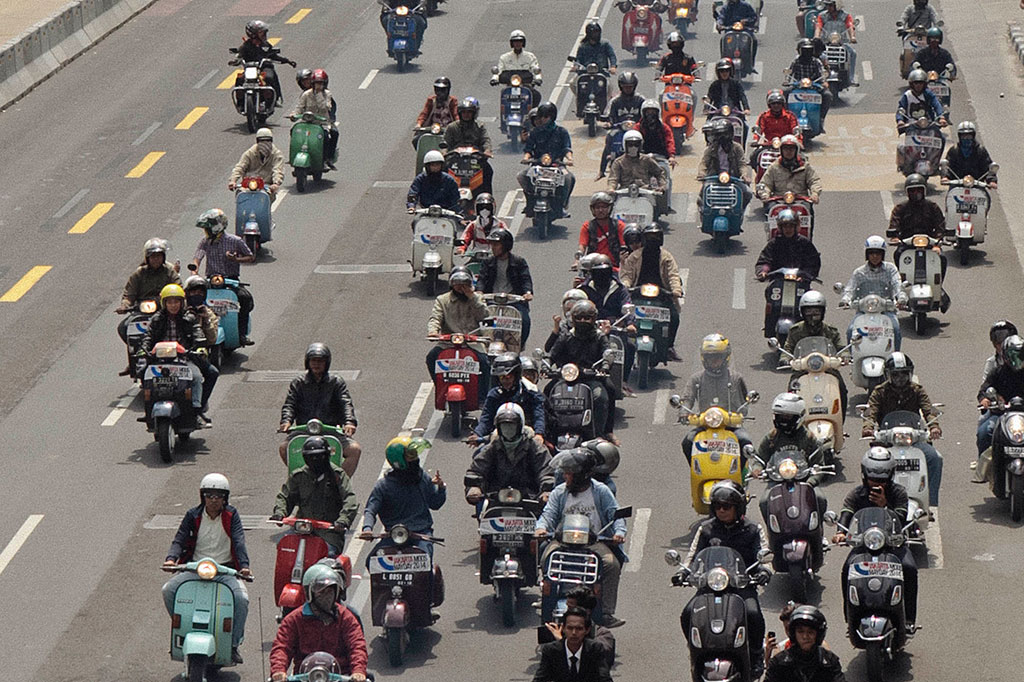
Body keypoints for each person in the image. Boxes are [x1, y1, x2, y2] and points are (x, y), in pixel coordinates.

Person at [678, 480, 771, 678]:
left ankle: (756, 656)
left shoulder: (753, 530)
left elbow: (764, 553)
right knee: (687, 614)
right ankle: (696, 652)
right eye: (717, 506)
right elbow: (693, 555)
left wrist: (764, 571)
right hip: (709, 586)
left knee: (753, 613)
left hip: (741, 586)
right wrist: (683, 572)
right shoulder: (706, 529)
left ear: (738, 508)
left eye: (727, 506)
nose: (721, 510)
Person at [162, 474, 250, 664]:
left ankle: (233, 645)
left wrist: (244, 567)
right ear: (202, 496)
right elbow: (180, 538)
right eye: (209, 495)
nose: (213, 500)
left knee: (241, 599)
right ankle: (184, 627)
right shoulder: (192, 515)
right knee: (168, 590)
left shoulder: (231, 516)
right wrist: (171, 559)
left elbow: (239, 540)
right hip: (194, 568)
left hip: (225, 571)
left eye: (218, 496)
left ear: (225, 498)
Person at [535, 449, 628, 628]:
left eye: (569, 473)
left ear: (581, 475)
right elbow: (548, 515)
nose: (565, 476)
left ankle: (606, 612)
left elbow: (616, 515)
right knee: (546, 558)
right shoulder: (559, 492)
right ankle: (547, 598)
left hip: (594, 543)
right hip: (562, 542)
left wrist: (619, 533)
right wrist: (541, 528)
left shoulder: (601, 491)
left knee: (611, 564)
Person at [832, 448, 918, 633]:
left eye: (882, 480)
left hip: (894, 545)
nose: (877, 484)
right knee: (847, 569)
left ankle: (909, 619)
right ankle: (850, 618)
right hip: (864, 545)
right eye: (873, 479)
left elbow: (902, 518)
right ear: (864, 475)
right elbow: (846, 512)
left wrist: (884, 504)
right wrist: (840, 531)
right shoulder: (856, 494)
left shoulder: (899, 493)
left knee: (909, 568)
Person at [861, 352, 943, 507]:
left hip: (914, 439)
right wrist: (868, 427)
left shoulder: (917, 390)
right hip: (887, 440)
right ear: (888, 375)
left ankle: (931, 503)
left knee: (934, 458)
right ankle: (870, 501)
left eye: (904, 374)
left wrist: (934, 426)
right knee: (870, 464)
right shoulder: (880, 391)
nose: (900, 379)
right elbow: (871, 411)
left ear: (910, 374)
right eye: (896, 375)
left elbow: (928, 410)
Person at [278, 343, 363, 477]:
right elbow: (290, 404)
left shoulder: (336, 382)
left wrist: (349, 422)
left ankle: (339, 482)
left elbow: (346, 403)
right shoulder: (298, 382)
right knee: (284, 448)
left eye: (320, 361)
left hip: (330, 430)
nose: (316, 364)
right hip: (304, 430)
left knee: (354, 450)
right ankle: (301, 479)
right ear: (307, 362)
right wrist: (286, 421)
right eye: (313, 360)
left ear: (327, 363)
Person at [269, 568, 368, 682]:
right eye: (321, 592)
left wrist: (358, 671)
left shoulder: (345, 617)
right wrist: (278, 670)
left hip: (341, 676)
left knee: (369, 678)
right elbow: (282, 647)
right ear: (309, 593)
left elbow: (357, 645)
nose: (327, 596)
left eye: (330, 591)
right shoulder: (294, 619)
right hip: (304, 677)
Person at [358, 436, 446, 560]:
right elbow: (370, 510)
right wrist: (367, 528)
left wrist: (441, 488)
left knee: (425, 563)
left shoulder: (423, 478)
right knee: (371, 561)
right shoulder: (383, 486)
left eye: (415, 454)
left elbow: (435, 504)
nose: (415, 459)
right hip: (393, 536)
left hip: (421, 534)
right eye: (411, 455)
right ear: (399, 460)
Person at [272, 437, 359, 556]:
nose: (316, 460)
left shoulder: (337, 475)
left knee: (327, 554)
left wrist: (343, 520)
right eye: (311, 457)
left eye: (320, 456)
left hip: (329, 532)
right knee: (285, 551)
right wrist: (279, 513)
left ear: (327, 456)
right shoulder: (299, 476)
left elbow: (349, 498)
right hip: (302, 529)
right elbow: (285, 496)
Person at [549, 301, 617, 442]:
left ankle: (602, 433)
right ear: (573, 319)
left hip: (592, 378)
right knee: (547, 392)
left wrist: (605, 366)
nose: (583, 321)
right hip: (568, 376)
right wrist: (546, 365)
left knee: (605, 394)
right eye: (579, 318)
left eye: (587, 318)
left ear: (593, 319)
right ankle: (548, 432)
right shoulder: (566, 336)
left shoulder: (599, 336)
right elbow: (552, 354)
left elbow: (607, 353)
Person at [680, 334, 752, 461]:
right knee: (687, 442)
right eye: (709, 357)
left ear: (726, 357)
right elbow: (687, 398)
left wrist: (741, 413)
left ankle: (740, 474)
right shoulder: (696, 379)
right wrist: (684, 412)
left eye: (718, 357)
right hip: (704, 424)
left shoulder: (736, 378)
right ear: (704, 358)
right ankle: (697, 470)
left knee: (745, 442)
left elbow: (745, 400)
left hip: (731, 425)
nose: (714, 361)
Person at [115, 238, 181, 374]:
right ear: (147, 258)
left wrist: (170, 301)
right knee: (124, 328)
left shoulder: (169, 271)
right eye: (153, 257)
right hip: (142, 311)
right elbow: (129, 294)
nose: (156, 259)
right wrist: (124, 306)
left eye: (159, 256)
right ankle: (134, 359)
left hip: (165, 309)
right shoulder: (139, 273)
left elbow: (178, 287)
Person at [465, 402, 554, 503]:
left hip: (530, 500)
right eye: (504, 426)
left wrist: (546, 491)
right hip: (495, 499)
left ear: (520, 426)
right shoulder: (492, 447)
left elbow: (546, 471)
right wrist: (474, 488)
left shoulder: (534, 446)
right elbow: (476, 471)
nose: (507, 430)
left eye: (511, 426)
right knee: (481, 507)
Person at [191, 208, 255, 345]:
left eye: (207, 229)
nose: (206, 232)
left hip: (230, 281)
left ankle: (242, 334)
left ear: (217, 227)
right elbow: (198, 256)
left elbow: (250, 256)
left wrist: (236, 260)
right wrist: (194, 269)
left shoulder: (235, 241)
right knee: (192, 301)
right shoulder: (205, 241)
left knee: (245, 299)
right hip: (210, 281)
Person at [426, 268, 491, 403]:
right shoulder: (442, 300)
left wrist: (472, 297)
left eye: (464, 284)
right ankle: (440, 387)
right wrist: (433, 331)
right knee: (431, 357)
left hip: (472, 341)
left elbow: (484, 316)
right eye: (457, 284)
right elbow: (435, 318)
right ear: (451, 284)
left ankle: (483, 398)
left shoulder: (477, 298)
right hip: (448, 342)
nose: (461, 287)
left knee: (484, 363)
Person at [619, 223, 683, 358]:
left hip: (662, 296)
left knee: (675, 317)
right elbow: (626, 276)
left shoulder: (667, 257)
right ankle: (624, 344)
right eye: (650, 237)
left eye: (656, 237)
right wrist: (626, 286)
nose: (653, 240)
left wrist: (676, 290)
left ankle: (669, 346)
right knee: (624, 316)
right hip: (637, 294)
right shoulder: (634, 257)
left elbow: (673, 275)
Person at [757, 393, 829, 511]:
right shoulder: (772, 437)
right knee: (765, 502)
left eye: (787, 417)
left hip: (804, 480)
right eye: (780, 416)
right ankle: (771, 528)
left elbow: (819, 465)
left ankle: (817, 527)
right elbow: (759, 457)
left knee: (820, 499)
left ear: (799, 417)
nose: (783, 420)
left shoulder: (809, 438)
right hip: (777, 481)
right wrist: (757, 469)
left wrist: (811, 482)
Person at [141, 284, 205, 416]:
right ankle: (148, 410)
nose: (173, 305)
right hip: (159, 360)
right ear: (164, 303)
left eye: (176, 301)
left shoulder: (190, 318)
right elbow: (148, 336)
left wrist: (200, 347)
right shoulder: (156, 319)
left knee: (198, 377)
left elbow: (197, 332)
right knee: (142, 373)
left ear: (182, 303)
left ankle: (196, 411)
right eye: (170, 302)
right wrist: (144, 349)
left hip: (184, 359)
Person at [888, 173, 949, 310]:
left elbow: (940, 226)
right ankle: (903, 286)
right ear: (907, 192)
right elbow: (894, 226)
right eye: (912, 190)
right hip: (907, 244)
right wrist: (895, 237)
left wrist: (938, 242)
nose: (916, 193)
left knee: (942, 259)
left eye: (919, 190)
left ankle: (938, 287)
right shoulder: (900, 208)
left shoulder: (932, 207)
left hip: (929, 243)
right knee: (898, 254)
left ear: (924, 191)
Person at [785, 291, 849, 420]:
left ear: (823, 313)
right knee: (791, 393)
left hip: (828, 369)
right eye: (808, 312)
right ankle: (793, 422)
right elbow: (787, 347)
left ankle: (839, 421)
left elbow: (841, 347)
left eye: (816, 312)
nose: (812, 316)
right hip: (802, 370)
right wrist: (784, 359)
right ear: (802, 312)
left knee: (841, 390)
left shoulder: (831, 331)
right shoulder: (795, 331)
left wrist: (845, 356)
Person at [838, 235, 906, 348]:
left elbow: (897, 284)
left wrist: (901, 297)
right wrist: (845, 300)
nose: (875, 256)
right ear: (867, 254)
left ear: (883, 254)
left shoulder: (890, 269)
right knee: (851, 331)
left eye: (878, 253)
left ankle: (894, 357)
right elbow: (850, 288)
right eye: (871, 253)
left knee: (895, 329)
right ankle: (853, 360)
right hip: (864, 311)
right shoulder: (859, 272)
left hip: (886, 310)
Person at [976, 335, 1024, 495]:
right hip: (1003, 415)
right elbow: (984, 389)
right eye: (1013, 355)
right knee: (985, 432)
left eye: (1020, 354)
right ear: (1004, 355)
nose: (1017, 360)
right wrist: (985, 399)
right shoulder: (998, 372)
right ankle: (988, 471)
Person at [580, 254, 636, 384]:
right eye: (598, 272)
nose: (601, 276)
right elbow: (575, 306)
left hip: (615, 327)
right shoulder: (585, 288)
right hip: (590, 328)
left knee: (630, 346)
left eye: (604, 272)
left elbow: (627, 304)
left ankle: (623, 381)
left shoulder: (619, 288)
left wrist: (630, 323)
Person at [469, 356, 546, 446]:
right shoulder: (494, 395)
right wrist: (477, 434)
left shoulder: (531, 393)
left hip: (527, 438)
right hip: (499, 439)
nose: (505, 381)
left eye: (508, 377)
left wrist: (539, 434)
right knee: (479, 455)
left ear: (516, 375)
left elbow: (539, 416)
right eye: (502, 377)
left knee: (544, 455)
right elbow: (486, 419)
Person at [518, 101, 575, 217]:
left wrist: (569, 159)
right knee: (522, 176)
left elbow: (567, 148)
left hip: (557, 165)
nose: (543, 119)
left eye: (546, 116)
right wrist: (526, 158)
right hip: (538, 166)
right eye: (541, 116)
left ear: (552, 117)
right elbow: (528, 149)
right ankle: (530, 201)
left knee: (569, 178)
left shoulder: (561, 132)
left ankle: (562, 204)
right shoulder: (535, 132)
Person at [764, 606, 845, 682]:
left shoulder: (829, 661)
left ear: (818, 634)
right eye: (800, 631)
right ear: (793, 633)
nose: (805, 636)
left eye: (810, 632)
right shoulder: (779, 663)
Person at [533, 606, 613, 682]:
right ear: (563, 628)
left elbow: (604, 678)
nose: (574, 633)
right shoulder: (551, 651)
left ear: (587, 630)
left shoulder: (595, 649)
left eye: (579, 628)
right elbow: (540, 679)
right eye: (570, 628)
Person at [544, 586, 616, 666]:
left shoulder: (603, 634)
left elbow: (599, 655)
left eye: (570, 608)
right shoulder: (562, 631)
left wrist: (563, 643)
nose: (567, 612)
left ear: (587, 612)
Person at [607, 130, 669, 218]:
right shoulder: (618, 162)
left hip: (645, 190)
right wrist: (611, 188)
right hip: (624, 191)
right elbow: (613, 178)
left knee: (654, 205)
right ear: (625, 145)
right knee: (612, 207)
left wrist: (662, 186)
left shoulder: (647, 160)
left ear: (640, 145)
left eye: (636, 144)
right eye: (630, 144)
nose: (633, 147)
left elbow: (659, 172)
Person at [183, 275, 219, 419]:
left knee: (212, 372)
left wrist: (205, 320)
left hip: (195, 355)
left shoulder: (208, 313)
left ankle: (199, 407)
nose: (196, 295)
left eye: (200, 293)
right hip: (174, 353)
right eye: (193, 292)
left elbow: (212, 338)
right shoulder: (179, 308)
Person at [234, 20, 295, 105]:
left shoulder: (266, 45)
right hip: (251, 69)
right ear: (253, 34)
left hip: (264, 68)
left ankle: (274, 98)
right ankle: (240, 102)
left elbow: (273, 56)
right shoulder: (245, 46)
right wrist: (236, 61)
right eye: (261, 33)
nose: (264, 35)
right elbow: (240, 55)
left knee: (269, 77)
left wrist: (287, 61)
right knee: (239, 79)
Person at [697, 118, 752, 208]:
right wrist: (701, 174)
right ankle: (705, 216)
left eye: (724, 134)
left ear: (730, 134)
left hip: (734, 178)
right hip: (714, 178)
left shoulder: (737, 148)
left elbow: (742, 163)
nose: (722, 137)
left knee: (748, 193)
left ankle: (739, 212)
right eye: (719, 135)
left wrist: (744, 175)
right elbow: (704, 162)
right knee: (701, 197)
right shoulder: (711, 149)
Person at [444, 97, 494, 194]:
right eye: (464, 112)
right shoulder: (452, 127)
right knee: (442, 171)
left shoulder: (479, 126)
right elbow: (445, 143)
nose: (466, 115)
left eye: (469, 112)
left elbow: (485, 140)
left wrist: (487, 150)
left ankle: (487, 199)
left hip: (475, 158)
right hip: (455, 159)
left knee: (488, 171)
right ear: (460, 113)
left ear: (473, 114)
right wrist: (444, 153)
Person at [755, 209, 821, 281]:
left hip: (801, 281)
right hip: (777, 281)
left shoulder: (805, 243)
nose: (788, 229)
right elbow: (765, 260)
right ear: (780, 228)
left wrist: (805, 275)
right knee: (769, 291)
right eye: (785, 227)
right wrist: (763, 271)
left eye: (791, 226)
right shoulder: (774, 243)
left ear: (796, 227)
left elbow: (813, 263)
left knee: (812, 293)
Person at [756, 135, 822, 205]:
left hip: (801, 200)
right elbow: (765, 183)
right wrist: (765, 194)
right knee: (770, 209)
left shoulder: (805, 166)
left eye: (791, 149)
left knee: (806, 210)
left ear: (796, 150)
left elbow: (814, 181)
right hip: (778, 201)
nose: (788, 151)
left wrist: (815, 193)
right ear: (781, 150)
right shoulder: (774, 167)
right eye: (785, 149)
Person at [291, 69, 337, 168]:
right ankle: (294, 154)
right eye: (316, 83)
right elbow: (299, 107)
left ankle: (326, 159)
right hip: (307, 122)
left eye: (321, 83)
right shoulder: (306, 94)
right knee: (293, 131)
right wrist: (294, 115)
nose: (318, 86)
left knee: (327, 136)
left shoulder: (327, 94)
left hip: (321, 123)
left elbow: (325, 107)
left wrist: (319, 94)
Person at [785, 39, 831, 129]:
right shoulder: (796, 61)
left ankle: (821, 118)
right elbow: (790, 72)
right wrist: (787, 80)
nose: (807, 52)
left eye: (809, 50)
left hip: (814, 86)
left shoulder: (816, 62)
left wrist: (824, 81)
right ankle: (786, 117)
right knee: (784, 93)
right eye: (805, 50)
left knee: (827, 95)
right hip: (798, 85)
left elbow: (822, 72)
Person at [228, 128, 285, 199]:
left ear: (271, 141)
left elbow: (278, 170)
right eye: (261, 141)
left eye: (268, 140)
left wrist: (276, 183)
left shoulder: (277, 155)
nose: (265, 143)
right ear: (257, 141)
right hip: (248, 186)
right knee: (240, 194)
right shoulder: (250, 153)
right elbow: (240, 167)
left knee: (269, 197)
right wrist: (233, 181)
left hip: (266, 187)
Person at [572, 21, 617, 109]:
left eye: (597, 32)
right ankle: (580, 102)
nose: (595, 35)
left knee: (609, 87)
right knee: (572, 83)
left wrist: (613, 66)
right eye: (593, 33)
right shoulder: (583, 46)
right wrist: (576, 66)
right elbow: (578, 59)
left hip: (602, 73)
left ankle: (607, 108)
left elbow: (612, 56)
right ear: (588, 34)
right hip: (585, 73)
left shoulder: (605, 44)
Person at [578, 193, 628, 269]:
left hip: (614, 267)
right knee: (578, 280)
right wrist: (577, 259)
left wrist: (624, 261)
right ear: (593, 209)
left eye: (604, 207)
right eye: (597, 207)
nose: (600, 210)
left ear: (609, 208)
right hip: (593, 267)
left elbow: (624, 246)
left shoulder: (619, 225)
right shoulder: (587, 226)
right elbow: (582, 246)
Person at [494, 29, 543, 106]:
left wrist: (538, 78)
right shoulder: (504, 57)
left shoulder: (530, 57)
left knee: (536, 96)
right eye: (515, 41)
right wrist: (494, 79)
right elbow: (499, 71)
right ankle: (504, 115)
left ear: (523, 43)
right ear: (512, 43)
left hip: (526, 87)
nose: (517, 44)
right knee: (503, 96)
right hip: (510, 87)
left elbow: (535, 69)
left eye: (520, 41)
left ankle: (532, 114)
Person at [751, 90, 800, 165]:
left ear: (782, 104)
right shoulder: (764, 116)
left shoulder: (790, 116)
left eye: (778, 103)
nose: (776, 106)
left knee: (802, 159)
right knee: (754, 156)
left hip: (787, 146)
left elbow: (796, 129)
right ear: (769, 105)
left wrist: (799, 142)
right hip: (769, 145)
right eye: (773, 103)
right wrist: (755, 140)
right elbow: (759, 129)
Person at [943, 121, 997, 186]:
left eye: (969, 136)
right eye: (963, 136)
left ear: (973, 136)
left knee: (986, 196)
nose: (966, 138)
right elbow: (948, 166)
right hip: (956, 185)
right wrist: (945, 177)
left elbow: (987, 167)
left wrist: (992, 181)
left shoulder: (980, 150)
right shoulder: (954, 150)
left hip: (977, 186)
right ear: (959, 136)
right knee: (949, 196)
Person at [814, 0, 858, 81]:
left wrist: (852, 37)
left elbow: (850, 26)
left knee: (852, 53)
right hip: (826, 42)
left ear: (837, 6)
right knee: (816, 55)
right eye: (827, 5)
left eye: (830, 5)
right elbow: (818, 27)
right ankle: (816, 75)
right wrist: (816, 36)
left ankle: (851, 77)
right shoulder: (822, 16)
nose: (828, 7)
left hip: (841, 43)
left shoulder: (845, 16)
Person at [407, 149, 461, 213]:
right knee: (415, 222)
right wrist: (411, 206)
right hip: (426, 212)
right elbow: (413, 193)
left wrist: (458, 213)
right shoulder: (420, 179)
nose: (435, 168)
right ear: (427, 166)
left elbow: (455, 199)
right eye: (432, 165)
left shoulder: (449, 180)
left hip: (446, 213)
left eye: (437, 165)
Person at [414, 76, 458, 148]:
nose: (439, 93)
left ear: (448, 90)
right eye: (437, 90)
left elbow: (456, 115)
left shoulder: (452, 101)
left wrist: (458, 125)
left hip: (448, 130)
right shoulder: (431, 100)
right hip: (432, 129)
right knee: (416, 140)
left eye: (443, 90)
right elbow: (424, 114)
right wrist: (419, 124)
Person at [638, 99, 677, 170]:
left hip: (660, 157)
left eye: (653, 112)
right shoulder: (638, 127)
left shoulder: (664, 127)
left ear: (657, 113)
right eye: (648, 112)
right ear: (643, 113)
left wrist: (671, 156)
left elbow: (670, 141)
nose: (650, 114)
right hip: (641, 158)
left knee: (665, 175)